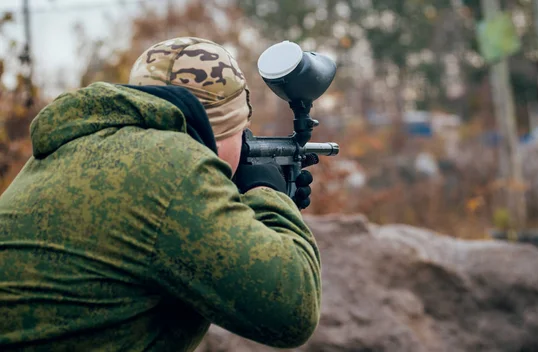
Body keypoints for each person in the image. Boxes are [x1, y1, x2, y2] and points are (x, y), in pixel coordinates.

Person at [0, 37, 321, 351]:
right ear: (221, 132)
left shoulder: (69, 151)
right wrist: (267, 193)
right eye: (242, 133)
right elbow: (294, 309)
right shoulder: (172, 170)